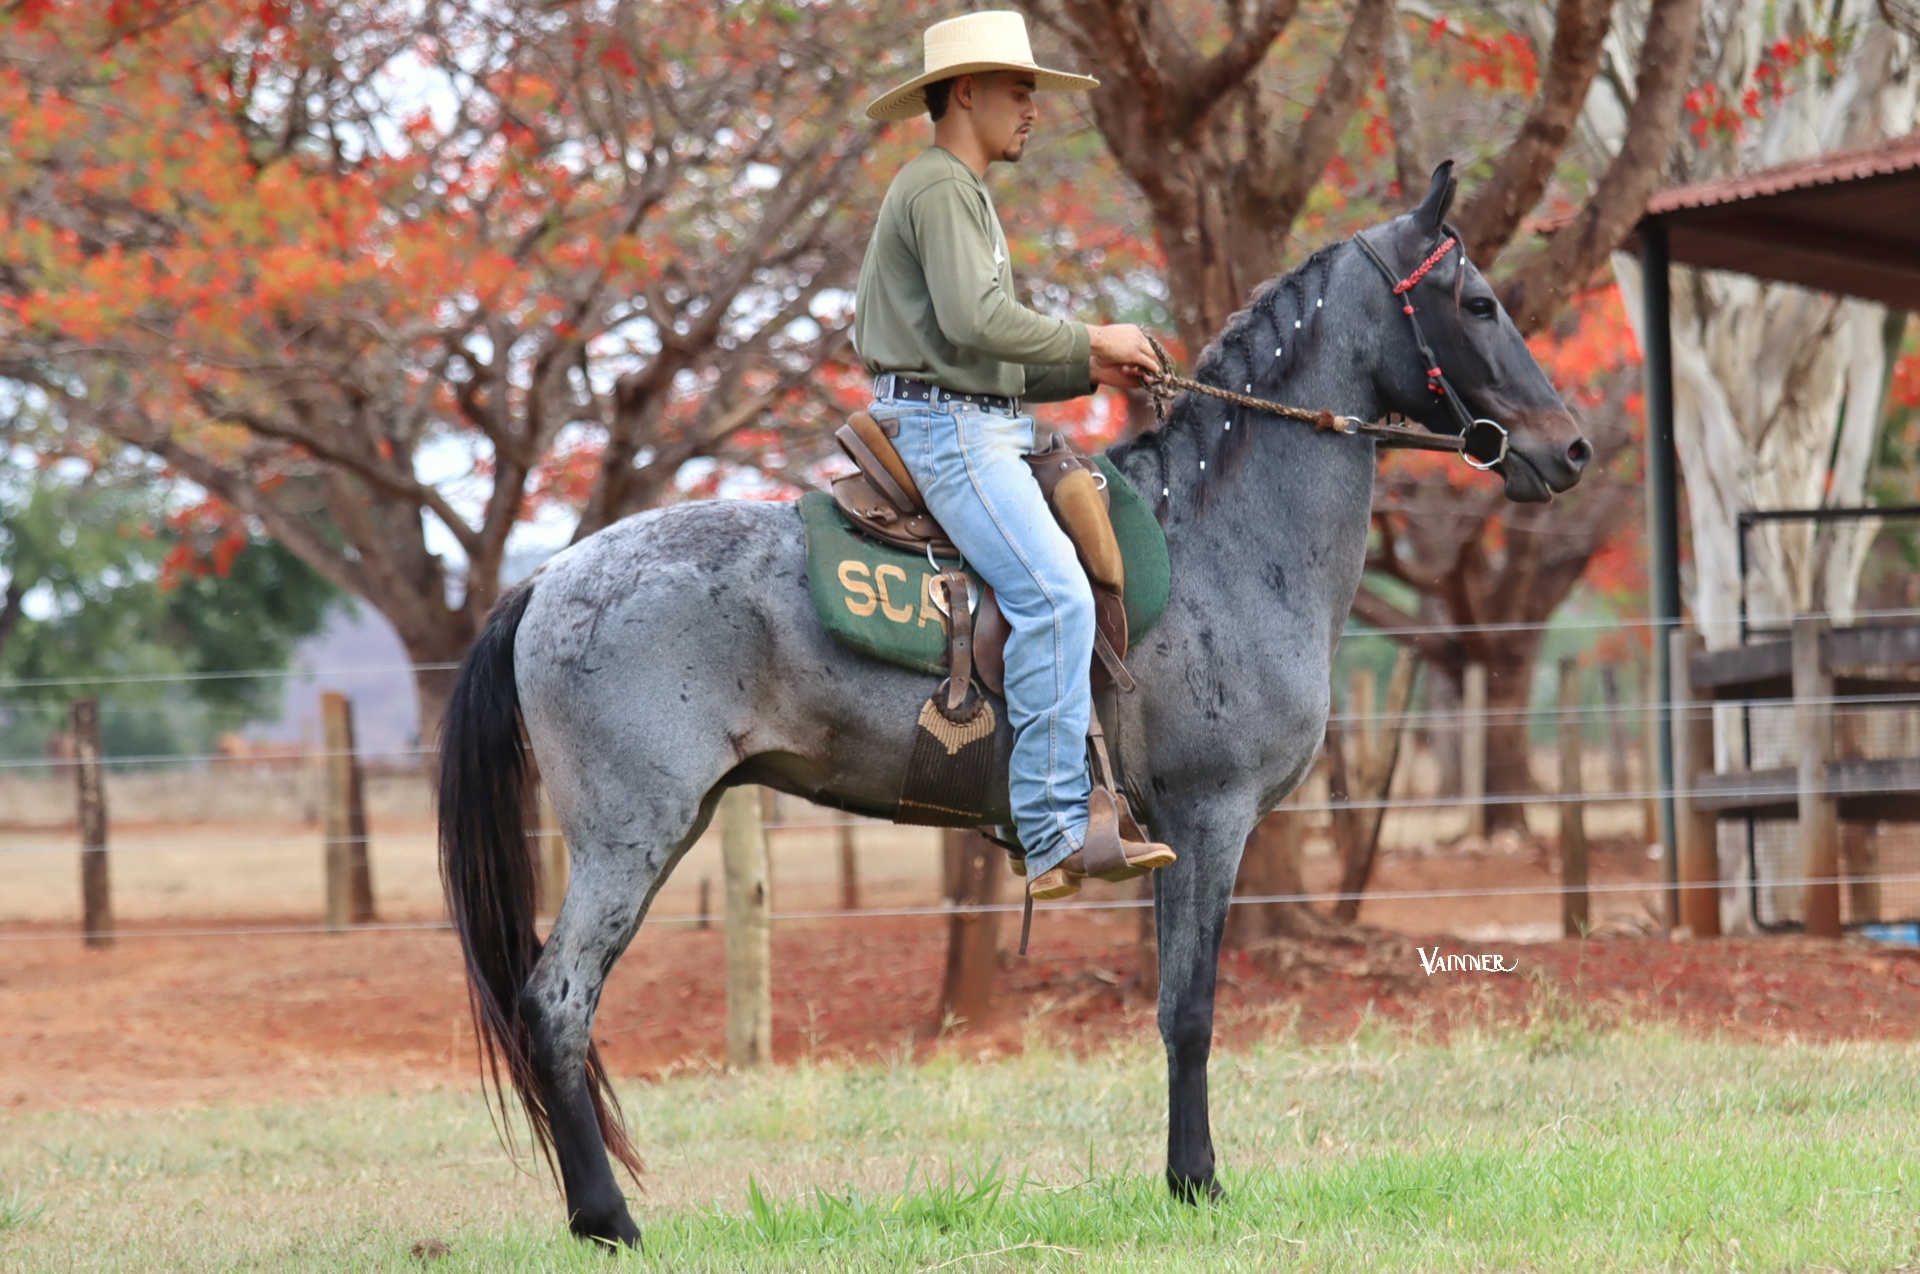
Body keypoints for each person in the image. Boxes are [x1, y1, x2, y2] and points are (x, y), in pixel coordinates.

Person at [855, 10, 1175, 901]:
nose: (1034, 110)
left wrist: (1089, 365)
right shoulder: (938, 187)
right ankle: (1054, 832)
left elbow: (977, 346)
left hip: (977, 418)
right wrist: (1095, 336)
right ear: (967, 93)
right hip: (950, 432)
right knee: (1056, 597)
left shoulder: (959, 190)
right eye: (1020, 91)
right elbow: (977, 322)